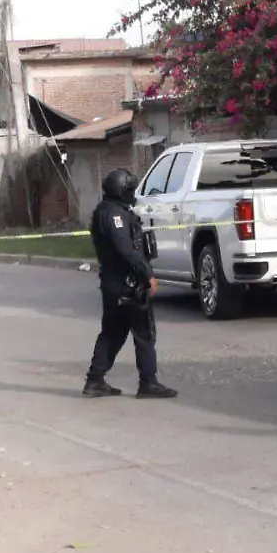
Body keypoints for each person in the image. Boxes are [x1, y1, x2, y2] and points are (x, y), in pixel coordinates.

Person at [83, 168, 177, 400]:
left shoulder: (106, 210)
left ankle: (95, 381)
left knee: (112, 332)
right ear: (121, 190)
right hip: (127, 283)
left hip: (113, 282)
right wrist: (147, 274)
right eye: (130, 190)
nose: (132, 194)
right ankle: (148, 383)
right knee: (144, 332)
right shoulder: (114, 215)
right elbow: (125, 249)